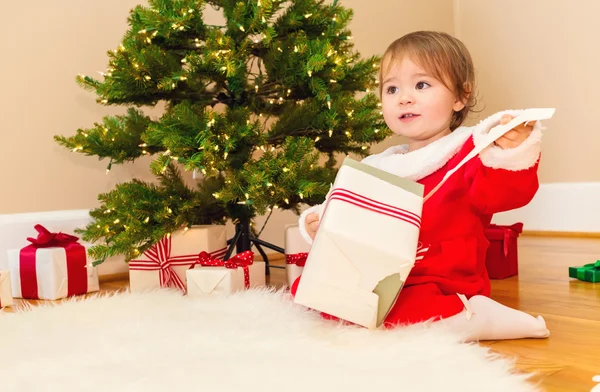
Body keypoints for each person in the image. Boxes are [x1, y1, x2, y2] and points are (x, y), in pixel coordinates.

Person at [291, 31, 550, 341]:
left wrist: (510, 152)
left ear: (460, 97)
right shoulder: (381, 164)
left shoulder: (469, 151)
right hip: (383, 276)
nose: (404, 97)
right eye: (392, 89)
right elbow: (349, 209)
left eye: (422, 85)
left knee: (412, 309)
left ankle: (477, 314)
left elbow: (500, 193)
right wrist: (319, 219)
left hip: (440, 278)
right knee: (311, 293)